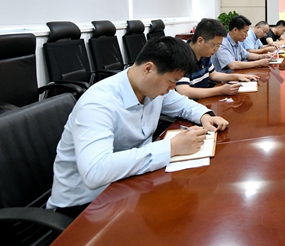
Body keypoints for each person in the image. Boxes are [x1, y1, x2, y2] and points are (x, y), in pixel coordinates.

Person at [46, 37, 229, 218]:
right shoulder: (98, 103)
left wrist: (205, 116)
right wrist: (171, 147)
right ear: (148, 69)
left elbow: (182, 104)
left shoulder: (152, 87)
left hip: (129, 184)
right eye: (171, 82)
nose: (172, 88)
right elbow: (95, 171)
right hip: (86, 204)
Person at [175, 18, 258, 100]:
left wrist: (237, 76)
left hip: (204, 99)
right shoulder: (182, 56)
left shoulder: (205, 54)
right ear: (200, 41)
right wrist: (220, 90)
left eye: (219, 45)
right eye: (215, 45)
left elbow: (213, 75)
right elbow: (184, 91)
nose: (217, 49)